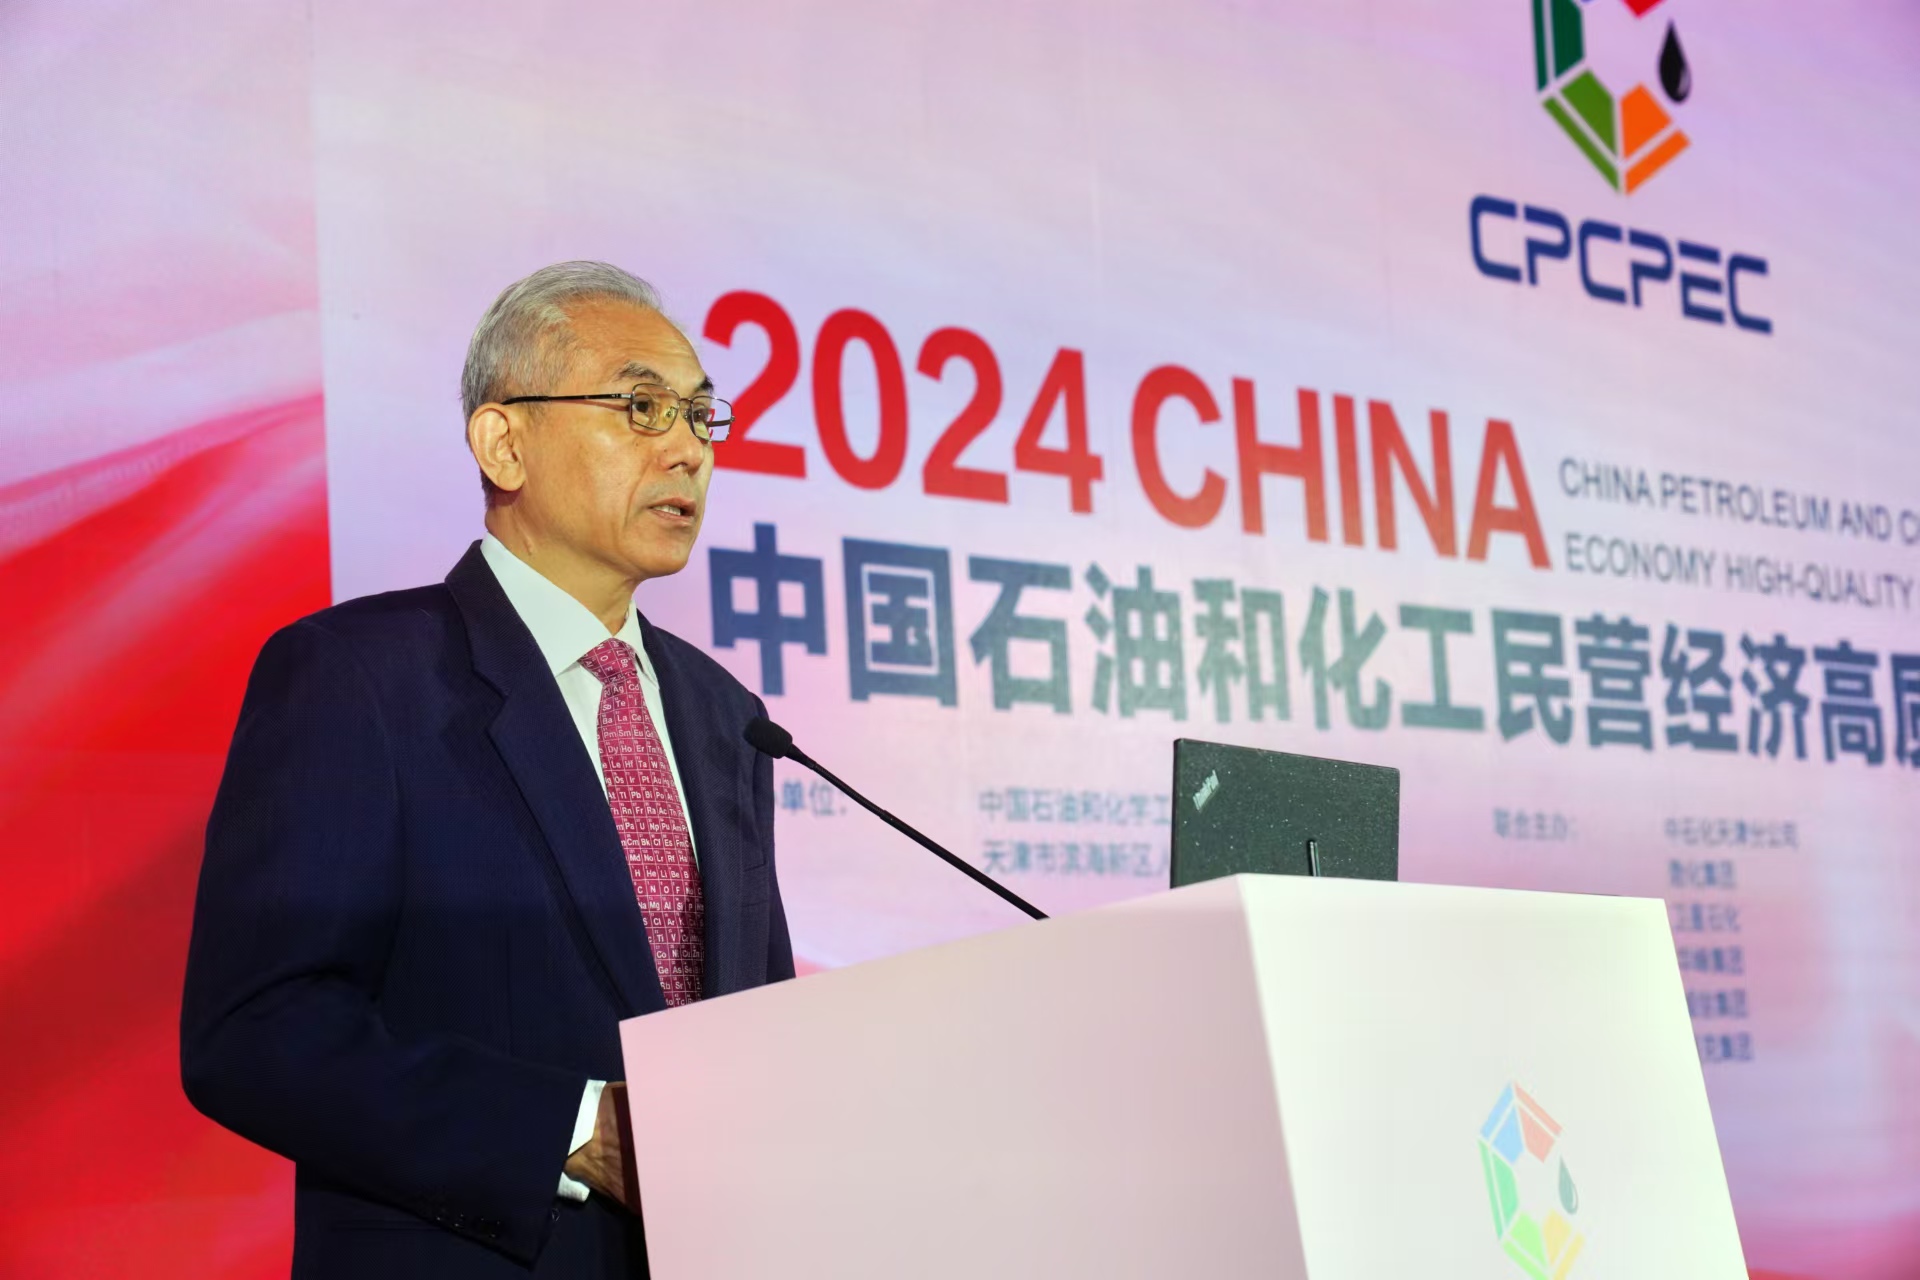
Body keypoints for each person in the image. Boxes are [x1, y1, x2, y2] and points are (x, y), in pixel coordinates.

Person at [181, 261, 794, 1278]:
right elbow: (256, 1028)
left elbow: (755, 1021)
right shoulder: (358, 678)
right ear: (504, 442)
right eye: (641, 407)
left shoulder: (729, 716)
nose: (688, 448)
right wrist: (574, 1128)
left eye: (700, 415)